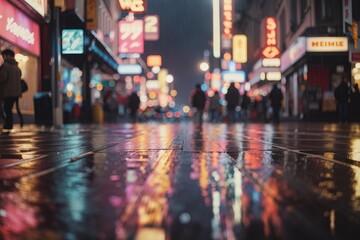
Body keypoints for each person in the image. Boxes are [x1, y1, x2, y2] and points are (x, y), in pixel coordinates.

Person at [0, 49, 22, 130]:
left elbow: (3, 77)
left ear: (8, 55)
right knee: (9, 108)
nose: (3, 57)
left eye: (4, 55)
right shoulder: (17, 67)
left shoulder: (5, 65)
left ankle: (8, 125)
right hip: (15, 92)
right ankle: (9, 124)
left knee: (6, 108)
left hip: (8, 91)